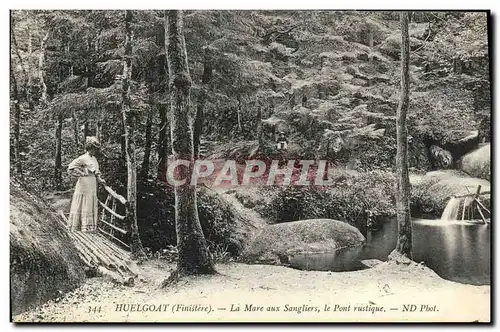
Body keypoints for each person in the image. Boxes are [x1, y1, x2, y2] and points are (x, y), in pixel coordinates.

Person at [67, 136, 106, 232]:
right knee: (83, 201)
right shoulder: (83, 158)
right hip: (84, 183)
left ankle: (88, 227)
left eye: (95, 149)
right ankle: (78, 226)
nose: (94, 151)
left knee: (90, 201)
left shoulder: (94, 159)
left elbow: (96, 172)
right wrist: (81, 174)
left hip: (92, 183)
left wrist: (100, 179)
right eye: (93, 149)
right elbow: (71, 167)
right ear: (89, 148)